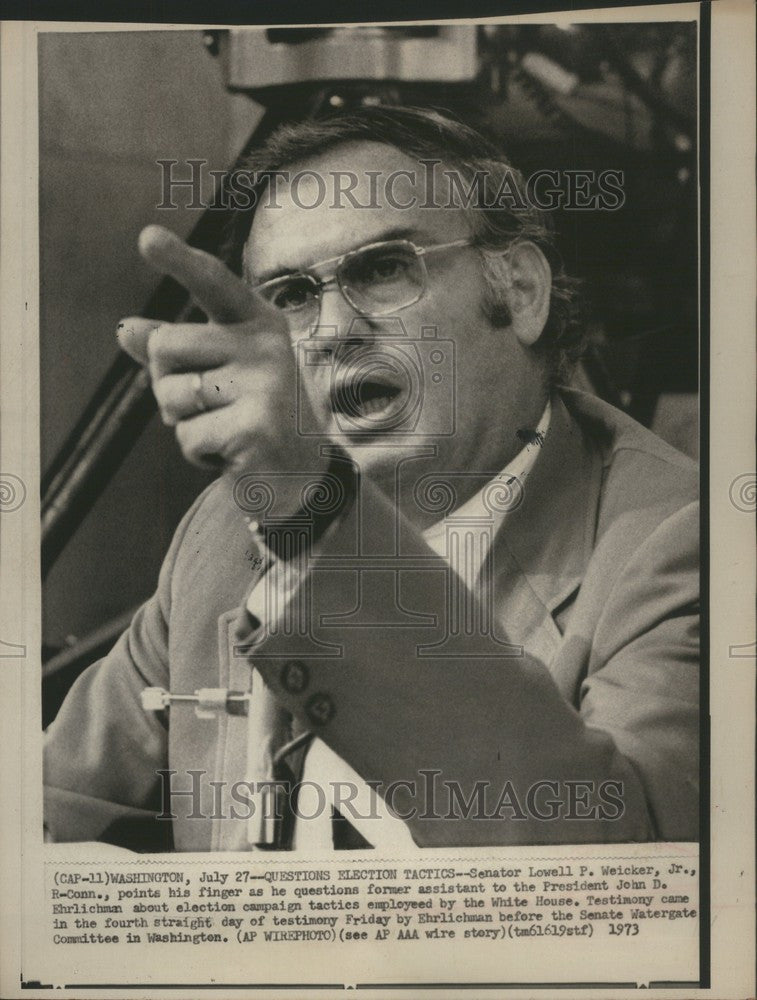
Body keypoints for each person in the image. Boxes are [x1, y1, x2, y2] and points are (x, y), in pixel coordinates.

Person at [44, 106, 699, 851]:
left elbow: (625, 873)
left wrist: (316, 521)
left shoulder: (679, 542)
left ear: (518, 290)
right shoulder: (224, 531)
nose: (331, 331)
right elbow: (38, 815)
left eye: (382, 269)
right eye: (289, 296)